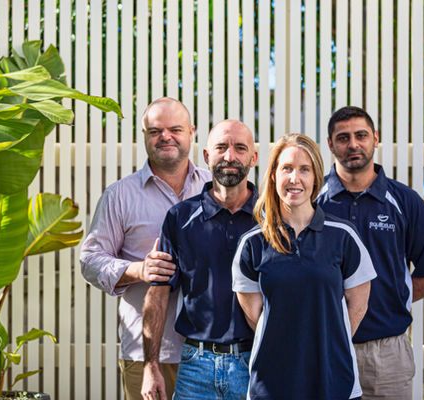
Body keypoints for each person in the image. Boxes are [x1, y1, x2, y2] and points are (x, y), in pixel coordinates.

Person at [80, 97, 211, 400]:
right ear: (144, 137)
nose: (165, 137)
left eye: (175, 129)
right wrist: (139, 269)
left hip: (210, 352)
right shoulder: (120, 195)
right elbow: (89, 260)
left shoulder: (213, 188)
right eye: (155, 131)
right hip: (146, 352)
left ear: (191, 132)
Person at [316, 106, 424, 399]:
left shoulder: (405, 201)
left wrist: (392, 296)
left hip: (387, 353)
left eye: (361, 135)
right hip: (325, 346)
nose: (353, 144)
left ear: (375, 138)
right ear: (330, 145)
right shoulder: (314, 202)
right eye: (343, 138)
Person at [232, 133, 377, 400]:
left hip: (334, 381)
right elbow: (255, 315)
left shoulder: (344, 236)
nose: (295, 179)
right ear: (274, 175)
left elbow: (357, 307)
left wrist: (328, 343)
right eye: (286, 168)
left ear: (315, 177)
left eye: (304, 170)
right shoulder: (252, 243)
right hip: (271, 384)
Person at [141, 120, 259, 400]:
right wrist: (150, 366)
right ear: (206, 156)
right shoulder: (180, 218)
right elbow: (158, 295)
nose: (230, 156)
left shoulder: (270, 218)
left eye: (240, 148)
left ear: (253, 158)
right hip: (196, 366)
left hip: (256, 361)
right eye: (221, 148)